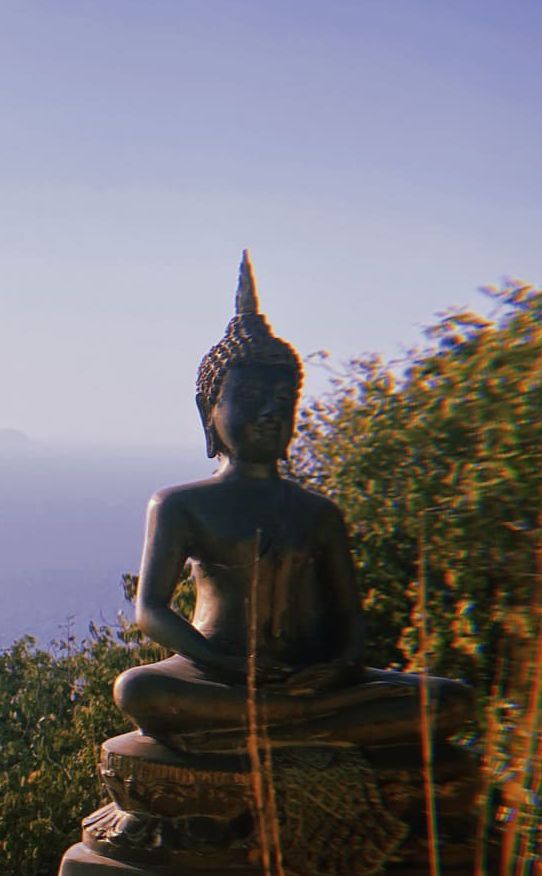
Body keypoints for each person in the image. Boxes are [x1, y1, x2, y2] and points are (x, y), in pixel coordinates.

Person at [112, 255, 473, 755]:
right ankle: (310, 725)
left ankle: (280, 723)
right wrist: (233, 667)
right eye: (253, 396)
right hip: (216, 675)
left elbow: (352, 624)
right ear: (208, 408)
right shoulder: (180, 505)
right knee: (138, 690)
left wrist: (338, 669)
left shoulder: (319, 514)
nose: (269, 411)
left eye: (284, 401)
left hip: (316, 681)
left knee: (450, 699)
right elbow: (150, 610)